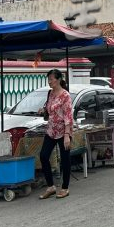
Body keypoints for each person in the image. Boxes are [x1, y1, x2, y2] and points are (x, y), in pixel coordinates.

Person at [37, 69, 73, 199]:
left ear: (58, 80)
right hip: (51, 130)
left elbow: (68, 116)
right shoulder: (50, 93)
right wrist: (43, 111)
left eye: (51, 79)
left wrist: (67, 135)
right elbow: (49, 109)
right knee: (43, 156)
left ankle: (65, 188)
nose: (49, 81)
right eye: (48, 79)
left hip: (64, 131)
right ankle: (51, 186)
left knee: (65, 159)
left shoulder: (65, 95)